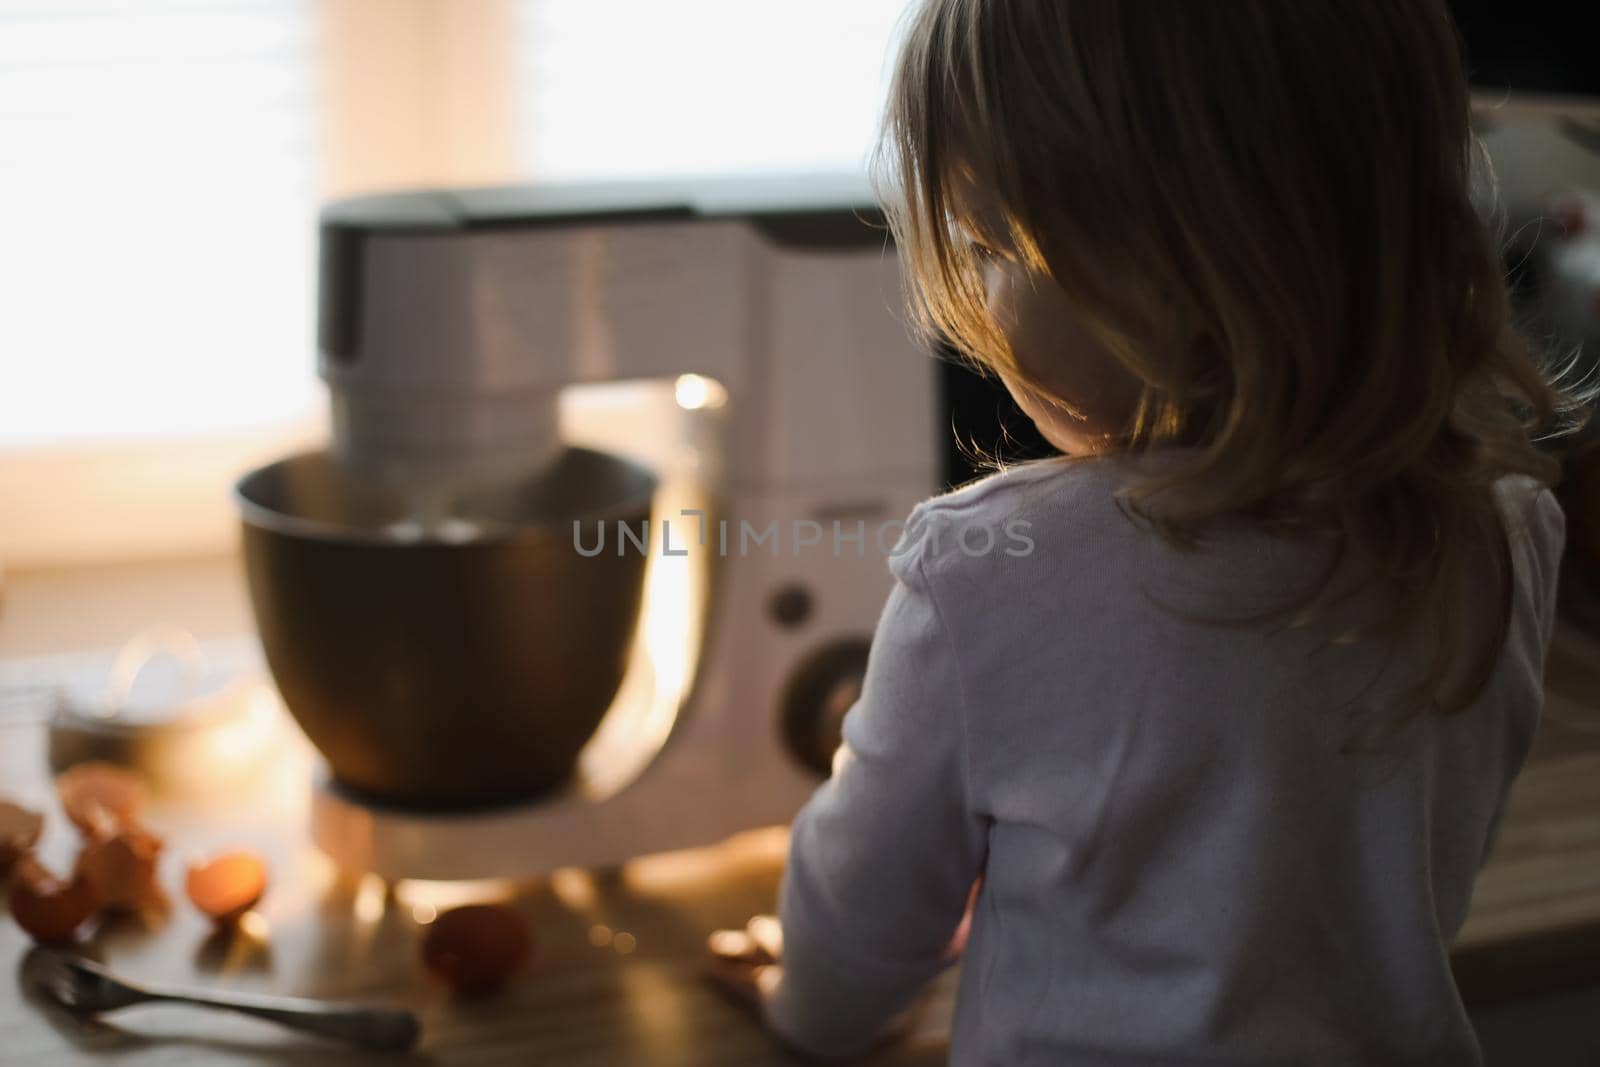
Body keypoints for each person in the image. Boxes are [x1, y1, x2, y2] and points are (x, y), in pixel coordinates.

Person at [707, 1, 1579, 1062]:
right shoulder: (1507, 527)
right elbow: (1374, 857)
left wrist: (804, 1004)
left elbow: (864, 906)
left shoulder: (984, 568)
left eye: (990, 244)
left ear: (1168, 265)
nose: (977, 309)